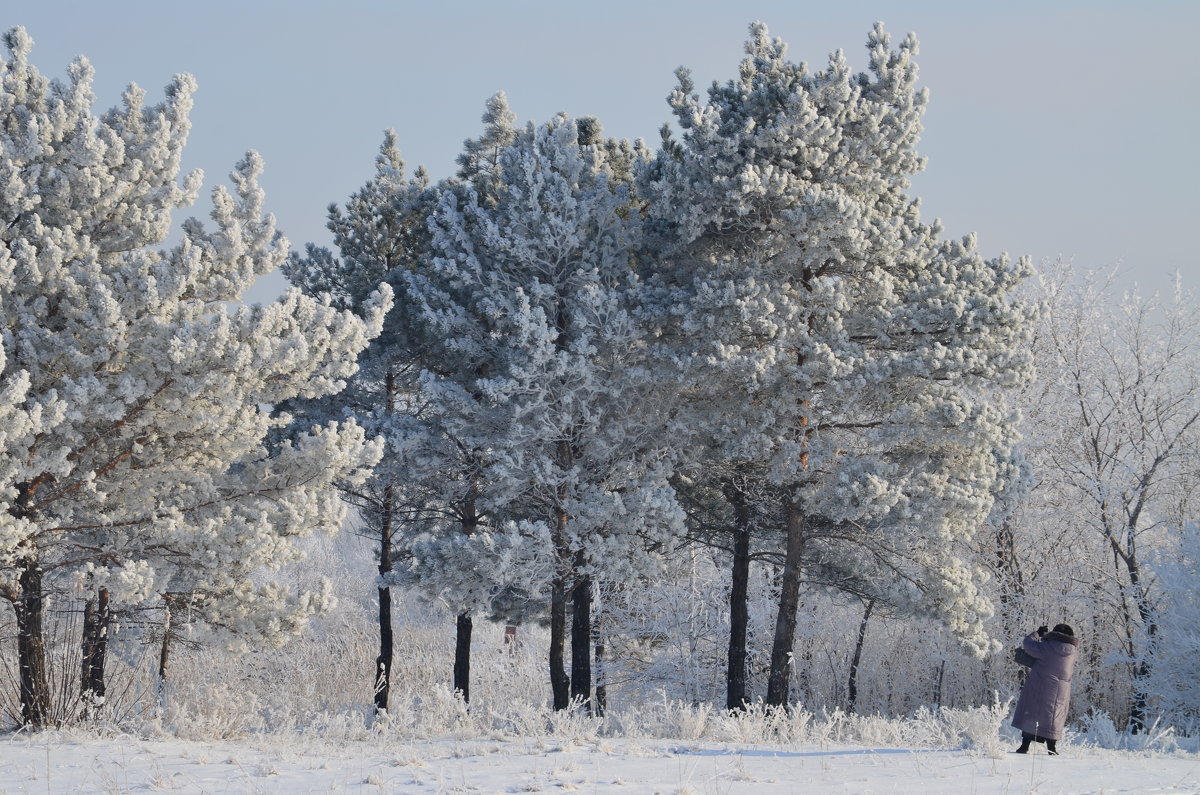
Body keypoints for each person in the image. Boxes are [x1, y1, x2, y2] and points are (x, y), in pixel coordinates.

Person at [1012, 623, 1079, 755]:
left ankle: (1024, 746)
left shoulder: (1047, 648)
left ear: (1054, 634)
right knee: (1054, 717)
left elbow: (1028, 644)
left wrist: (1037, 633)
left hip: (1040, 686)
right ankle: (1052, 748)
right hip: (1061, 691)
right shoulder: (1073, 652)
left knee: (1033, 714)